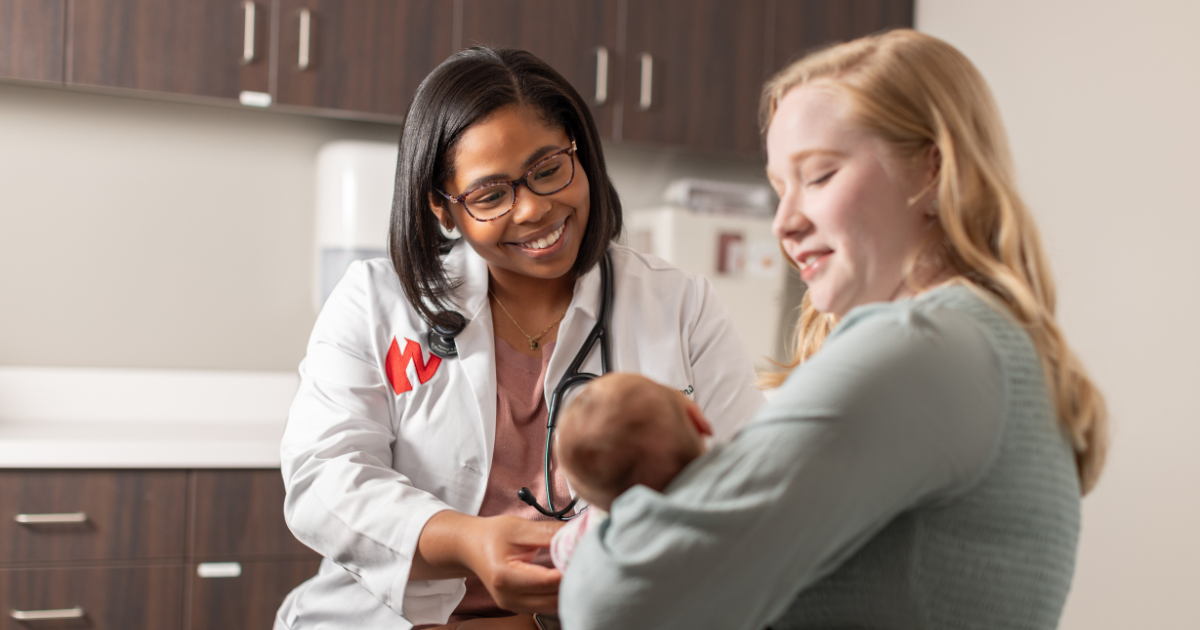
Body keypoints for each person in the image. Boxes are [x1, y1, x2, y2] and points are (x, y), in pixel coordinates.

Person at [560, 29, 1109, 630]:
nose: (784, 223)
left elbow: (610, 604)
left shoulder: (919, 350)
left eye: (819, 176)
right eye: (778, 189)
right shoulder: (984, 345)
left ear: (933, 170)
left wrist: (590, 535)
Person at [274, 47, 764, 630]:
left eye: (548, 168)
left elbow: (746, 493)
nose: (534, 208)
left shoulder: (680, 305)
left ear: (580, 151)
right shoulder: (374, 302)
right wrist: (467, 541)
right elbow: (323, 479)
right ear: (444, 209)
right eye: (490, 195)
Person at [548, 372, 714, 571]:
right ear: (700, 421)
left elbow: (559, 552)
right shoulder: (720, 500)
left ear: (579, 490)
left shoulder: (587, 531)